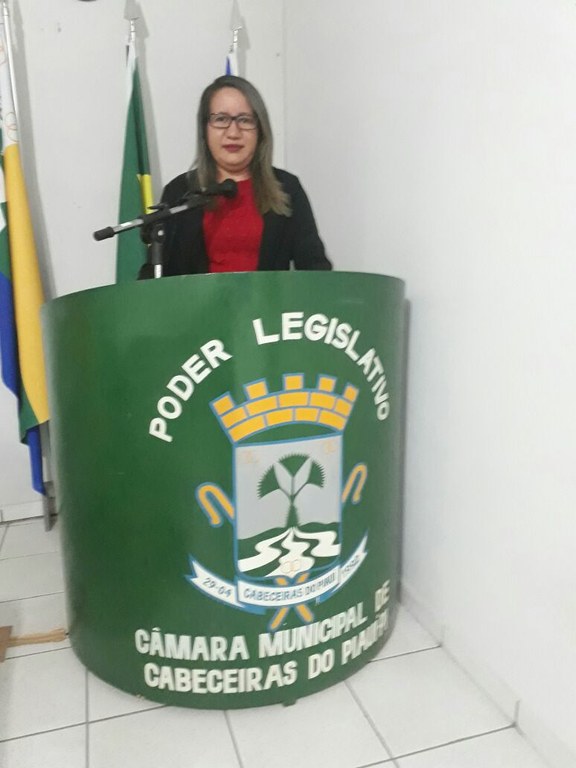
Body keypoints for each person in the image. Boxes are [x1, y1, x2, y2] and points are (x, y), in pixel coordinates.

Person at [144, 75, 332, 276]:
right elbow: (155, 276)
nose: (233, 133)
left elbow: (316, 270)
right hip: (196, 298)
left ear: (260, 130)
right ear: (204, 129)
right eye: (221, 119)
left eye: (245, 120)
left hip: (267, 298)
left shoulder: (287, 187)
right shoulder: (180, 192)